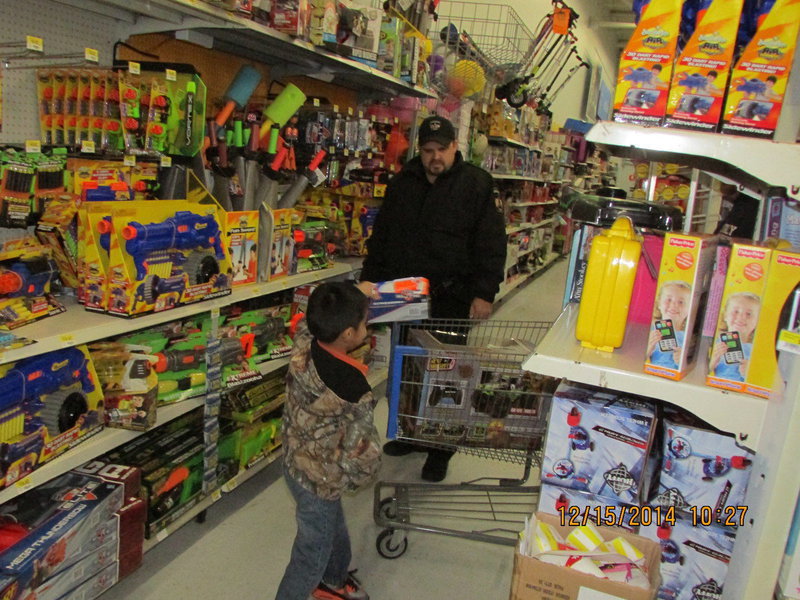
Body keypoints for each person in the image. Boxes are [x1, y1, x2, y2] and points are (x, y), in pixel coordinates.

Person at [359, 115, 506, 482]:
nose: (435, 157)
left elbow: (491, 243)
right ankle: (410, 433)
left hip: (451, 298)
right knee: (406, 372)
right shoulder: (402, 183)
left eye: (442, 149)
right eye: (428, 150)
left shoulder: (477, 184)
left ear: (455, 146)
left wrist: (484, 292)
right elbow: (382, 238)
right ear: (419, 150)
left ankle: (440, 448)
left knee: (446, 375)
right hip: (405, 298)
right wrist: (368, 282)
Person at [275, 281, 381, 600]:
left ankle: (333, 581)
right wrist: (354, 479)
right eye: (364, 322)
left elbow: (306, 319)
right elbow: (363, 452)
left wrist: (355, 293)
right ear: (348, 334)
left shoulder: (304, 343)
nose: (366, 326)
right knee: (311, 554)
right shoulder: (352, 386)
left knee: (333, 527)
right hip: (320, 481)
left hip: (293, 459)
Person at [710, 292, 761, 382]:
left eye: (749, 314)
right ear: (725, 315)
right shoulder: (714, 343)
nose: (741, 317)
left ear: (757, 321)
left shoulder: (757, 352)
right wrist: (712, 362)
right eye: (736, 311)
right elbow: (701, 373)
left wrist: (750, 374)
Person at [647, 281, 691, 370]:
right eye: (669, 299)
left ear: (689, 309)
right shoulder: (650, 331)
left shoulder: (689, 337)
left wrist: (682, 362)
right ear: (659, 303)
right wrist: (648, 350)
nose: (674, 305)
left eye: (681, 302)